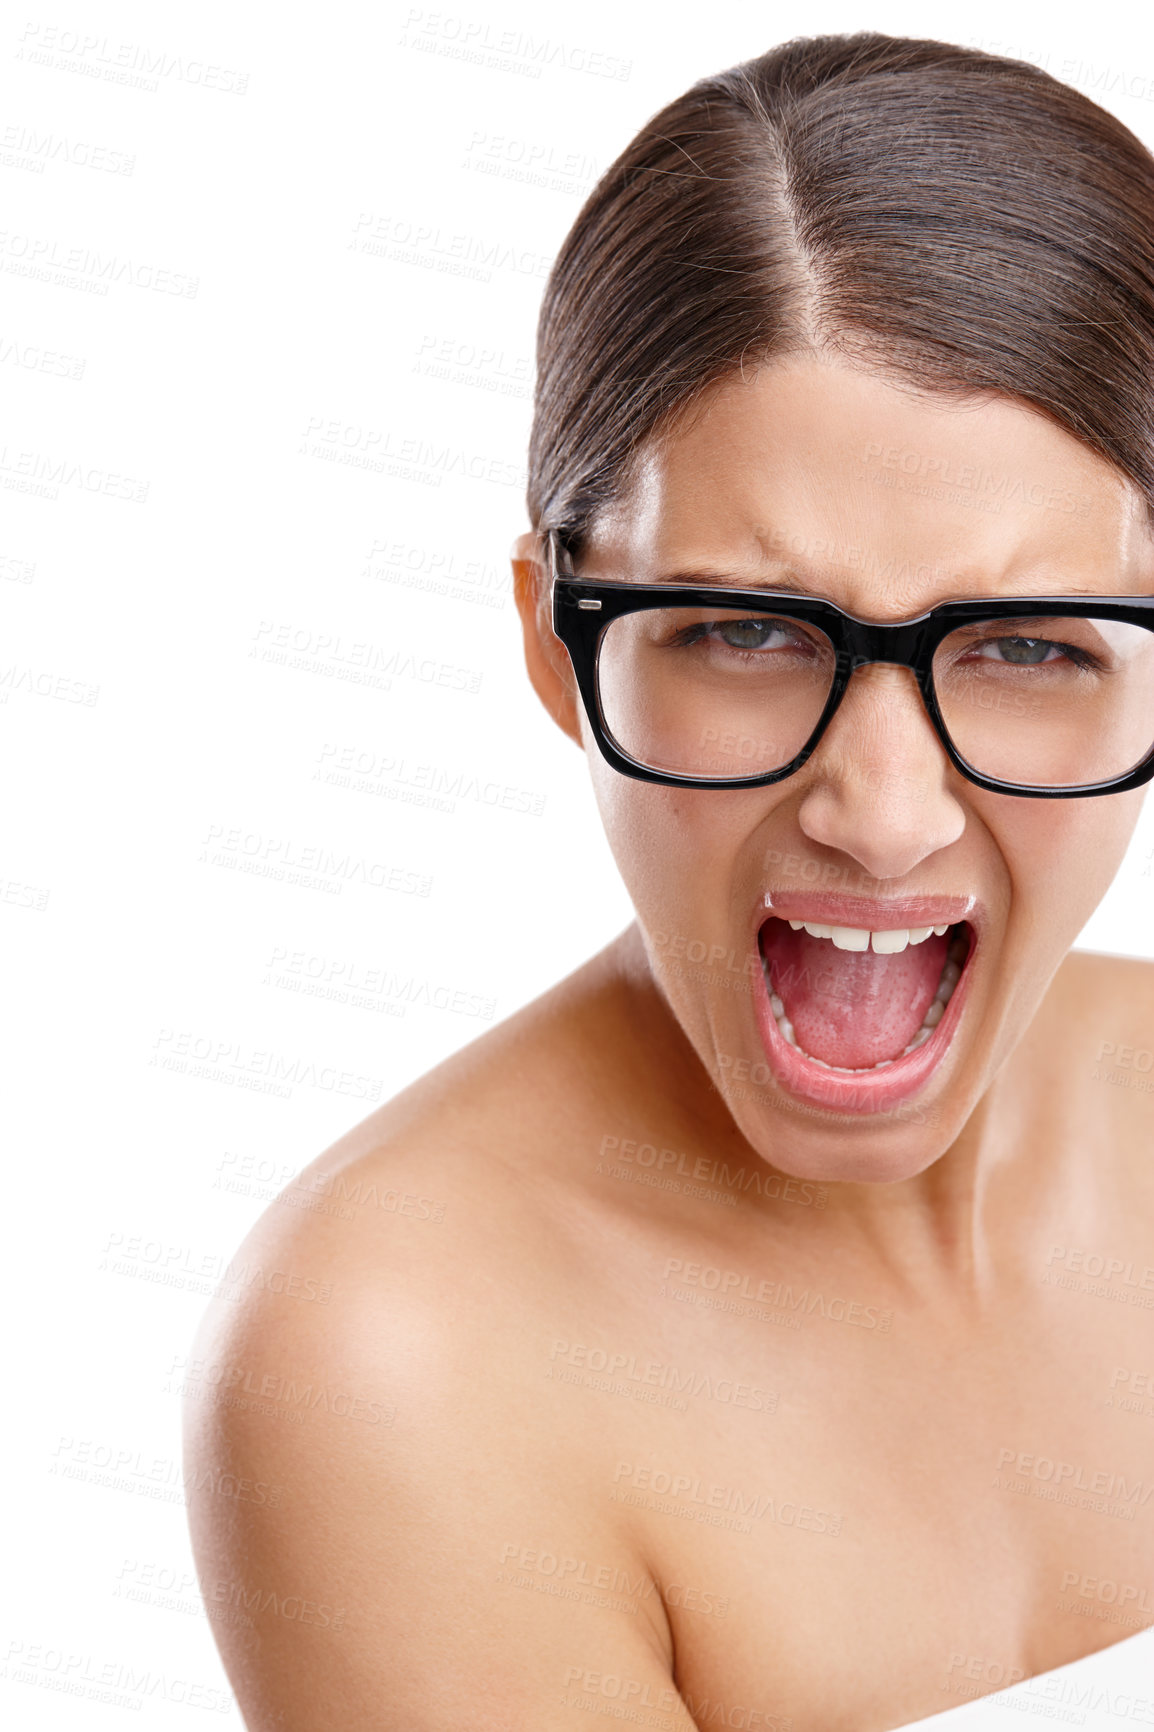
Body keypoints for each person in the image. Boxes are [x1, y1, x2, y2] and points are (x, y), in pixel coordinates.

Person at [184, 31, 1154, 1731]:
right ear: (557, 651)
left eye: (1021, 645)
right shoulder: (394, 1360)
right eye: (743, 631)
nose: (881, 809)